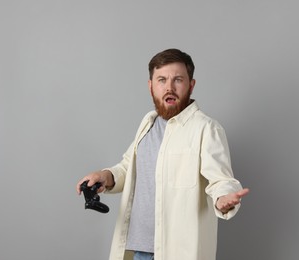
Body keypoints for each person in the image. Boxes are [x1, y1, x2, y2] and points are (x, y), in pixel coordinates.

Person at [76, 48, 249, 260]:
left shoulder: (206, 128)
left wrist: (223, 198)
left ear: (191, 85)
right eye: (161, 80)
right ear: (151, 86)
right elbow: (129, 167)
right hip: (140, 250)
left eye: (178, 79)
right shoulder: (148, 123)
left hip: (178, 252)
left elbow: (221, 179)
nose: (169, 87)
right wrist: (105, 176)